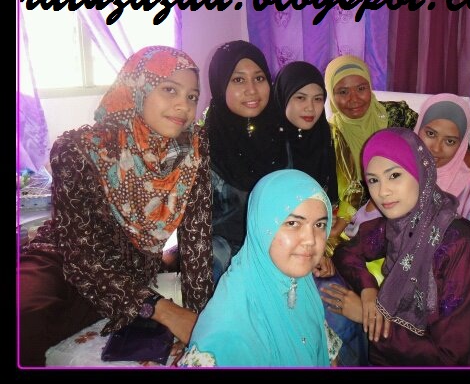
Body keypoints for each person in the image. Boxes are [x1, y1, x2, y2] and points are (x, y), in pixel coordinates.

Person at [19, 46, 214, 367]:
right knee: (26, 318)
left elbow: (197, 241)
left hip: (130, 273)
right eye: (170, 89)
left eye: (192, 96)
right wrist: (163, 309)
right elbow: (81, 256)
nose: (184, 105)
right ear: (137, 88)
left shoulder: (190, 148)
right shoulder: (81, 150)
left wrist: (199, 317)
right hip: (62, 259)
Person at [327, 128, 470, 366]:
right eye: (373, 180)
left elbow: (449, 356)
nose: (382, 192)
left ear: (421, 172)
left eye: (394, 175)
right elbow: (347, 252)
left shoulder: (464, 249)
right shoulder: (399, 223)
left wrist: (368, 316)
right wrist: (368, 291)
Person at [324, 55, 470, 241]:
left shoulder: (397, 115)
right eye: (343, 92)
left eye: (361, 88)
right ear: (331, 93)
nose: (354, 99)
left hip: (404, 215)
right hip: (355, 222)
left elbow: (437, 133)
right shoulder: (328, 136)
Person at [177, 169, 339, 367]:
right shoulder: (230, 325)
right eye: (292, 223)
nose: (311, 240)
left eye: (320, 225)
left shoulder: (300, 282)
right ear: (262, 227)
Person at [273, 61, 368, 366]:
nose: (310, 108)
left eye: (317, 99)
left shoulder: (330, 135)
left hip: (328, 234)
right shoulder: (268, 142)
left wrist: (330, 236)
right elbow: (269, 216)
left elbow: (352, 188)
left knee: (346, 305)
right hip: (283, 246)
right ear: (283, 98)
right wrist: (312, 251)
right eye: (300, 98)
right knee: (326, 307)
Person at [203, 40, 288, 283]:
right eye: (238, 79)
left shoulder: (285, 136)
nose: (252, 90)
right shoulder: (202, 147)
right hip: (222, 258)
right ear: (220, 85)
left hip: (282, 249)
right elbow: (197, 232)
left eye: (259, 78)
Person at [414, 93, 470, 274]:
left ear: (462, 143)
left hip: (449, 274)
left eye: (450, 141)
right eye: (430, 134)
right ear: (418, 129)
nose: (436, 148)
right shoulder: (401, 169)